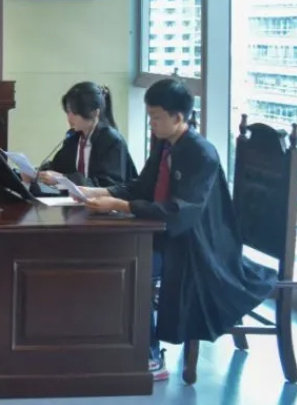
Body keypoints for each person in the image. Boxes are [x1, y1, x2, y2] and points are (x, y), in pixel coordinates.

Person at [83, 78, 277, 381]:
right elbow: (142, 186)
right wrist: (96, 192)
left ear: (178, 117)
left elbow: (181, 212)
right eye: (150, 117)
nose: (151, 124)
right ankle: (114, 343)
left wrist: (122, 206)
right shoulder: (165, 144)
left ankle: (149, 354)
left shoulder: (202, 153)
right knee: (112, 253)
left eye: (156, 117)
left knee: (132, 265)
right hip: (168, 235)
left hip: (198, 244)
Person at [37, 82, 136, 187]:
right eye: (68, 111)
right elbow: (58, 167)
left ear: (94, 113)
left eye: (75, 112)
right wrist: (38, 174)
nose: (69, 118)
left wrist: (63, 179)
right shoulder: (73, 138)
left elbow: (108, 184)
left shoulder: (112, 141)